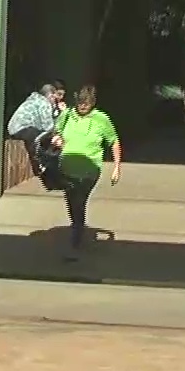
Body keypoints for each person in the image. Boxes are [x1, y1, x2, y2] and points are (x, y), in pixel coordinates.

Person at [51, 84, 121, 261]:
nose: (83, 106)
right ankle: (77, 228)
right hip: (66, 168)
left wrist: (117, 167)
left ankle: (76, 237)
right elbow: (56, 133)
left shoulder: (101, 119)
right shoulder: (67, 116)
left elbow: (113, 141)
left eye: (87, 103)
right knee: (72, 201)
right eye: (81, 103)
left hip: (90, 169)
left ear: (93, 103)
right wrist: (57, 140)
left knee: (79, 199)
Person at [6, 81, 66, 186]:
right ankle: (43, 167)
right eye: (55, 96)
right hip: (24, 128)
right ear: (50, 95)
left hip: (15, 128)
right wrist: (62, 114)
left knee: (43, 137)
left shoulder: (34, 99)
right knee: (44, 138)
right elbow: (48, 127)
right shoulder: (44, 103)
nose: (56, 99)